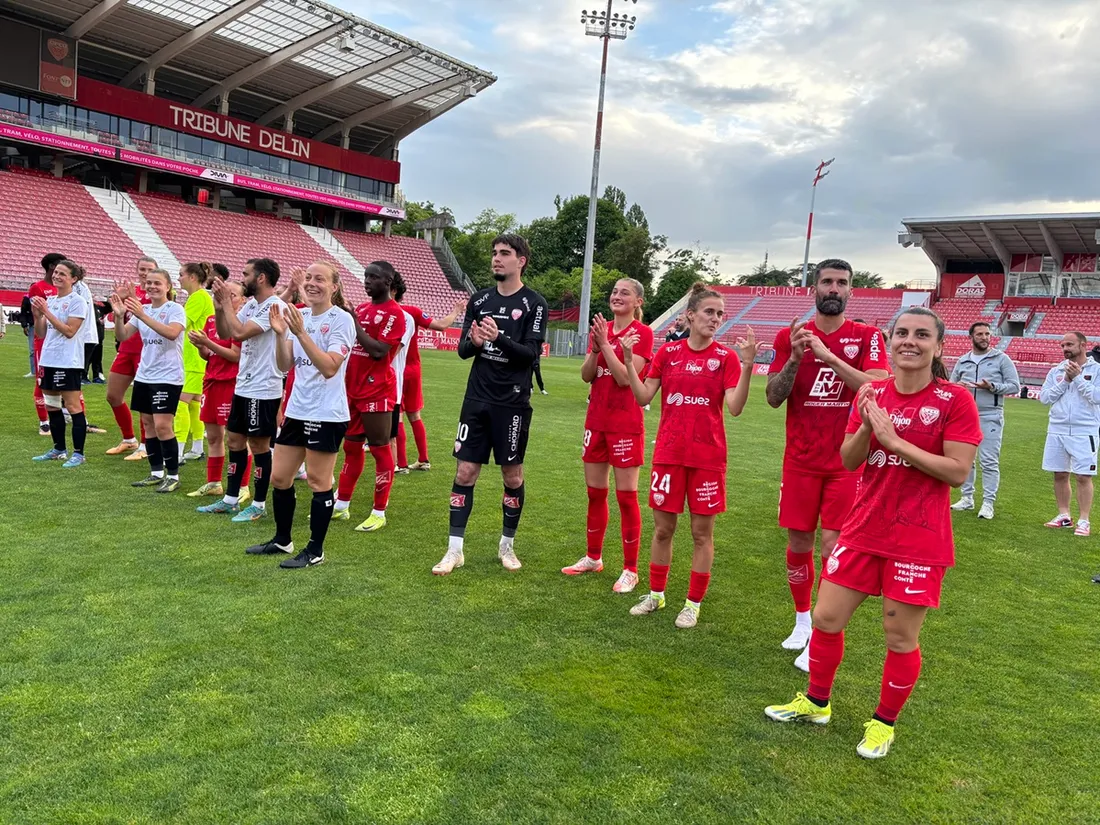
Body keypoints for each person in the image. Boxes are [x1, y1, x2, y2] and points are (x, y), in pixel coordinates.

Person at [765, 307, 981, 760]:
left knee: (898, 636)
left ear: (938, 347)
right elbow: (847, 459)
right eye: (902, 332)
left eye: (922, 335)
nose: (910, 341)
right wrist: (868, 423)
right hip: (862, 529)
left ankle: (883, 724)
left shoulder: (954, 400)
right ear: (890, 340)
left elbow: (958, 472)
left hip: (918, 538)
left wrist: (899, 441)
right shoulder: (872, 392)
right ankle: (817, 703)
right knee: (825, 618)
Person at [766, 258, 890, 671]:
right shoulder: (792, 336)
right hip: (800, 458)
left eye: (842, 283)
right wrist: (797, 358)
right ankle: (802, 622)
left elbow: (876, 388)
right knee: (799, 543)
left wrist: (829, 357)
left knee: (832, 546)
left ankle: (821, 629)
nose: (834, 289)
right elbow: (772, 396)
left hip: (846, 460)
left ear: (851, 290)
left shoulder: (867, 336)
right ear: (814, 289)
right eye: (827, 282)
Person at [618, 282, 760, 627]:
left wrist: (748, 365)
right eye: (709, 312)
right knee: (663, 530)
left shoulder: (725, 358)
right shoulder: (669, 354)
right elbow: (642, 397)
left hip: (707, 458)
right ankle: (655, 595)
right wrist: (626, 360)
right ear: (690, 315)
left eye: (720, 314)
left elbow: (736, 408)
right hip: (669, 454)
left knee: (701, 534)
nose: (716, 319)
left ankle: (692, 603)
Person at [433, 234, 548, 575]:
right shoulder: (480, 300)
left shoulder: (534, 303)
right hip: (477, 399)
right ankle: (455, 550)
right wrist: (476, 341)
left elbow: (529, 355)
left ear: (521, 260)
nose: (497, 259)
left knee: (512, 476)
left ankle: (506, 545)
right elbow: (464, 351)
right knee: (465, 472)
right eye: (494, 253)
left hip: (512, 403)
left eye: (505, 254)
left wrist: (500, 338)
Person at [245, 262, 355, 568]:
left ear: (334, 287)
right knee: (280, 478)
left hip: (327, 413)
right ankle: (282, 539)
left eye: (320, 279)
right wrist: (282, 335)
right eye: (308, 278)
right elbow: (284, 365)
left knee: (320, 482)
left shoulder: (341, 320)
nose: (312, 283)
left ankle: (315, 550)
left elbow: (330, 367)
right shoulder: (299, 314)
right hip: (296, 410)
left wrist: (301, 333)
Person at [562, 279, 653, 592]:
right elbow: (588, 375)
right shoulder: (602, 330)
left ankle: (630, 569)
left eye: (625, 292)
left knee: (626, 497)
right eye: (614, 291)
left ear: (638, 300)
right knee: (595, 493)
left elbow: (625, 379)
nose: (617, 296)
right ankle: (593, 557)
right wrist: (595, 346)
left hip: (625, 423)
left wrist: (605, 346)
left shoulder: (642, 334)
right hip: (596, 421)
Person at [209, 257, 287, 522]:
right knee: (234, 439)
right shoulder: (253, 304)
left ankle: (258, 504)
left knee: (259, 444)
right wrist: (220, 307)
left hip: (263, 388)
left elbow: (240, 333)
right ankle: (230, 499)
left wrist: (229, 306)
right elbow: (224, 332)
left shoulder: (275, 306)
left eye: (246, 274)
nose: (242, 279)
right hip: (244, 385)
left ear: (261, 278)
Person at [332, 262, 406, 531]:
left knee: (379, 447)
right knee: (351, 447)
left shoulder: (395, 314)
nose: (367, 281)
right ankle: (341, 505)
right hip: (352, 388)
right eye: (365, 276)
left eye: (374, 277)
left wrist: (353, 321)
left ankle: (379, 511)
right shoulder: (362, 309)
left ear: (388, 282)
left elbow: (378, 351)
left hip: (377, 389)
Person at [109, 268, 187, 492]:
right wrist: (118, 315)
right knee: (148, 424)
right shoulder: (140, 311)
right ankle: (155, 472)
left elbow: (172, 333)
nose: (152, 286)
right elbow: (123, 336)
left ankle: (172, 475)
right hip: (145, 375)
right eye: (149, 283)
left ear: (168, 287)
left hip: (168, 376)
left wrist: (143, 315)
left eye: (158, 283)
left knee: (163, 426)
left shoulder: (174, 309)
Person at [190, 276, 253, 508]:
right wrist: (201, 347)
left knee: (235, 438)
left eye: (232, 295)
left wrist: (210, 343)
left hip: (232, 383)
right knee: (214, 436)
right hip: (211, 381)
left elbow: (235, 355)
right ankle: (214, 482)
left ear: (243, 299)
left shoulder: (241, 323)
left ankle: (243, 486)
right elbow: (209, 356)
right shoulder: (210, 319)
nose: (226, 298)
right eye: (223, 294)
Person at [949, 322, 1021, 519]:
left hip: (990, 414)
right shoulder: (963, 361)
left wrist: (992, 387)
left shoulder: (1001, 359)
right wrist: (959, 387)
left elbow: (1015, 386)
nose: (984, 337)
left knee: (989, 460)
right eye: (979, 334)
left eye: (987, 334)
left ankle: (988, 502)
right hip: (964, 416)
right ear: (970, 337)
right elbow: (951, 386)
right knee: (966, 460)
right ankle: (967, 498)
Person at [394, 297, 465, 472]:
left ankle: (401, 464)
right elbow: (441, 325)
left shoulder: (385, 312)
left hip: (395, 368)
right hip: (413, 369)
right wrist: (456, 311)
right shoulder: (412, 311)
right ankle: (423, 459)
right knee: (415, 415)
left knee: (398, 417)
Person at [1040, 331, 1100, 537]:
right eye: (1063, 345)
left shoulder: (1097, 369)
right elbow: (1045, 398)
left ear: (1083, 345)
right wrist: (1066, 380)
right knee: (1060, 473)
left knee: (1084, 476)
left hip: (1085, 431)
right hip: (1057, 429)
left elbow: (1097, 397)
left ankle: (1084, 520)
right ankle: (1064, 515)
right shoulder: (1056, 371)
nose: (1065, 348)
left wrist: (1078, 378)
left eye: (1070, 344)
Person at [30, 259, 90, 468]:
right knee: (51, 406)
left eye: (62, 274)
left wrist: (46, 312)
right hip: (49, 359)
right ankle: (58, 449)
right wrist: (38, 316)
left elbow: (69, 331)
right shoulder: (53, 300)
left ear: (73, 279)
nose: (57, 276)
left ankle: (79, 454)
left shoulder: (77, 301)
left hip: (68, 361)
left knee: (73, 406)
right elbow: (41, 333)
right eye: (56, 272)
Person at [105, 257, 157, 458]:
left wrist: (135, 300)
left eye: (149, 269)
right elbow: (116, 319)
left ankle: (145, 445)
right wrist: (118, 301)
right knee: (113, 395)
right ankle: (128, 439)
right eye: (142, 269)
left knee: (145, 401)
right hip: (126, 349)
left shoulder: (159, 293)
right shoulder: (129, 292)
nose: (144, 273)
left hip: (146, 351)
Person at [176, 262, 217, 465]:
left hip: (193, 358)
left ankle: (178, 450)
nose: (178, 278)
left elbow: (179, 323)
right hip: (195, 358)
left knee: (180, 403)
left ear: (192, 277)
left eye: (181, 274)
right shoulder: (200, 297)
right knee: (193, 404)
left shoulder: (198, 297)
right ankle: (197, 447)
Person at [29, 253, 61, 434]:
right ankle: (43, 421)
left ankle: (70, 415)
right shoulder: (38, 288)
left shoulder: (64, 288)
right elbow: (37, 315)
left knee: (66, 377)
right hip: (44, 340)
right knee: (42, 380)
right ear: (51, 266)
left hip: (61, 339)